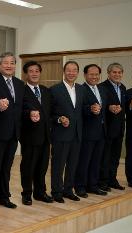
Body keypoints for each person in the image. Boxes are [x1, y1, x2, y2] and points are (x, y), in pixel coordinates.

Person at [0, 52, 24, 210]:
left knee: (7, 167)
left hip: (14, 133)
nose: (9, 66)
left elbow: (20, 107)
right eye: (5, 63)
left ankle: (4, 196)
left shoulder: (20, 83)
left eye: (12, 63)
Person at [19, 61, 53, 205]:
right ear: (26, 74)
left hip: (46, 136)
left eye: (36, 71)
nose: (34, 74)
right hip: (30, 136)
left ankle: (40, 192)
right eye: (31, 71)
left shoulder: (46, 91)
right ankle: (26, 193)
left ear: (40, 73)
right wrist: (29, 114)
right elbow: (18, 112)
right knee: (28, 166)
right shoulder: (21, 91)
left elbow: (50, 112)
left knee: (42, 166)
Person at [50, 61, 84, 203]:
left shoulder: (82, 89)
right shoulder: (54, 90)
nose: (71, 73)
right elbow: (49, 114)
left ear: (77, 72)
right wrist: (59, 119)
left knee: (73, 164)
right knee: (58, 164)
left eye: (74, 70)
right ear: (64, 72)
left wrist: (92, 108)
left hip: (77, 134)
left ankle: (68, 189)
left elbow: (82, 110)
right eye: (68, 70)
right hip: (61, 134)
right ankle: (56, 191)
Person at [74, 64, 107, 198]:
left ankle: (93, 185)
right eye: (91, 74)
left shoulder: (101, 89)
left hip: (101, 132)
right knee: (84, 161)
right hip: (87, 132)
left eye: (96, 74)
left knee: (96, 160)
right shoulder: (80, 90)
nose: (94, 77)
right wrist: (89, 110)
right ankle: (80, 186)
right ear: (85, 75)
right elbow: (78, 109)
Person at [98, 63, 126, 191]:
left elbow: (123, 107)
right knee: (104, 157)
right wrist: (108, 107)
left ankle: (112, 179)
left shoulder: (123, 88)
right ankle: (102, 181)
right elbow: (97, 105)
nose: (117, 74)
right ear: (108, 73)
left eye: (119, 72)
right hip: (106, 129)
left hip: (119, 128)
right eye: (114, 72)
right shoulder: (101, 87)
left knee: (115, 157)